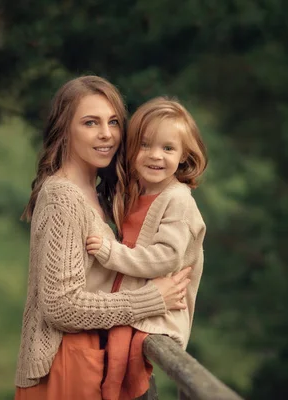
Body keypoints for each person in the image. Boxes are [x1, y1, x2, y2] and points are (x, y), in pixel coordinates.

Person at [15, 77, 192, 400]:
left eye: (113, 122)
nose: (107, 134)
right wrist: (151, 299)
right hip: (67, 362)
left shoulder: (95, 193)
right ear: (64, 130)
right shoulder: (63, 197)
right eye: (90, 123)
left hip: (88, 355)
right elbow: (61, 306)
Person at [86, 96, 208, 399]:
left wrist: (109, 252)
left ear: (183, 155)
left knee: (124, 367)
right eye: (145, 145)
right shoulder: (135, 193)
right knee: (108, 360)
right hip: (133, 302)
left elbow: (164, 260)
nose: (155, 156)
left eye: (168, 148)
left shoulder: (178, 202)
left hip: (159, 311)